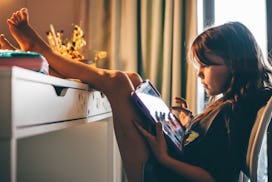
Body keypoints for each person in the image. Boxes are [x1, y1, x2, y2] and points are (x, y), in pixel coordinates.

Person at [1, 8, 271, 182]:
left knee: (119, 81)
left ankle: (44, 55)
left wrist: (164, 158)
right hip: (168, 163)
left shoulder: (232, 112)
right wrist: (186, 126)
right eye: (198, 66)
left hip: (161, 173)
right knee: (132, 80)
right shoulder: (229, 105)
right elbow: (210, 148)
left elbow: (214, 178)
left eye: (207, 65)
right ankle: (50, 69)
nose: (199, 73)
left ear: (236, 63)